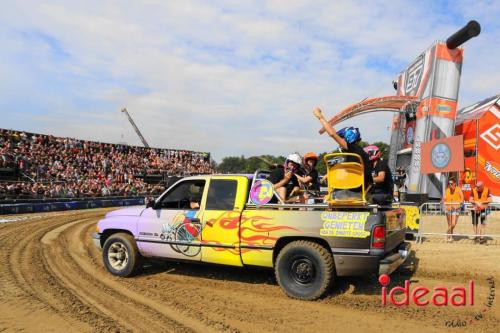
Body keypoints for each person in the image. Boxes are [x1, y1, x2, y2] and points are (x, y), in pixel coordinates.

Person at [313, 108, 373, 191]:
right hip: (363, 189)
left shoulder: (351, 148)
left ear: (348, 138)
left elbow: (332, 134)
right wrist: (322, 115)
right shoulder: (359, 151)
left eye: (342, 138)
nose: (340, 142)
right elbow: (333, 131)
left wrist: (319, 116)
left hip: (355, 190)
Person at [442, 177, 463, 242]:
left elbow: (462, 198)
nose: (450, 185)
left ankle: (447, 233)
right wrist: (442, 200)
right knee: (449, 224)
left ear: (455, 184)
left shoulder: (458, 189)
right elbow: (444, 198)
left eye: (451, 183)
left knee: (453, 224)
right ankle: (450, 237)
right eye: (449, 184)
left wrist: (459, 204)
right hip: (448, 208)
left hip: (456, 209)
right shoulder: (447, 190)